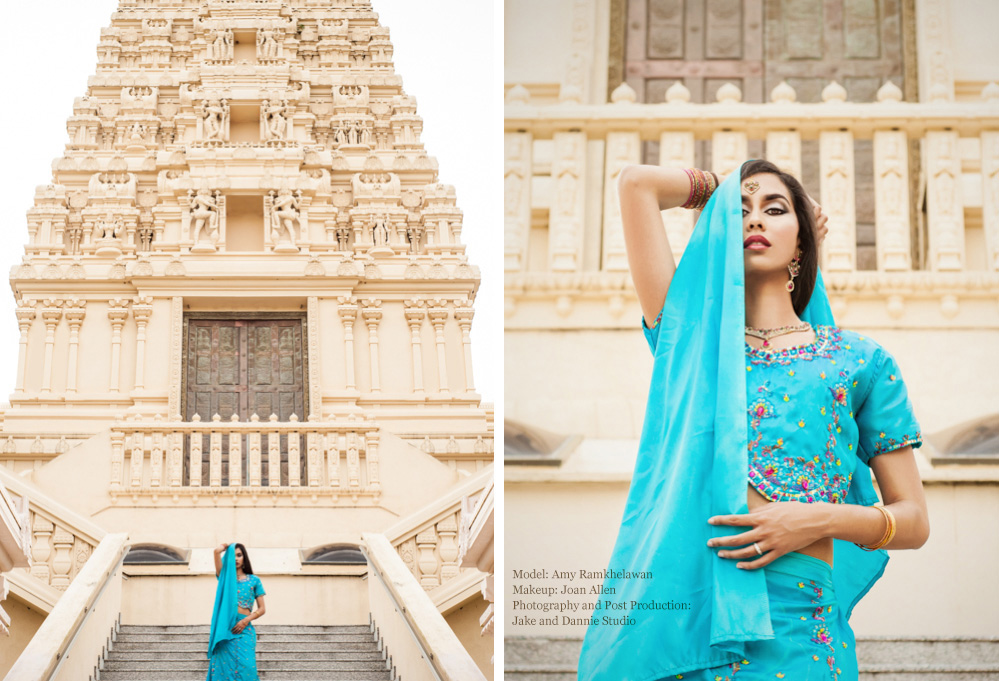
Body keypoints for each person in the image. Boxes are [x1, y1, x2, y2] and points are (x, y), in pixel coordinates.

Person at [576, 159, 930, 680]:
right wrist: (730, 195)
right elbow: (636, 183)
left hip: (802, 629)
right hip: (686, 622)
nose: (755, 221)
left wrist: (817, 518)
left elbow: (915, 520)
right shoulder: (691, 344)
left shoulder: (859, 360)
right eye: (740, 213)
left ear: (804, 242)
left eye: (775, 210)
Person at [208, 542, 266, 680]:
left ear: (244, 558)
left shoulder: (254, 580)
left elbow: (262, 609)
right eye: (232, 556)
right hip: (226, 627)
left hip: (245, 629)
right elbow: (216, 552)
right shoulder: (225, 578)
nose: (235, 559)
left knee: (247, 667)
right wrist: (225, 546)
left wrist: (245, 621)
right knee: (223, 668)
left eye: (239, 555)